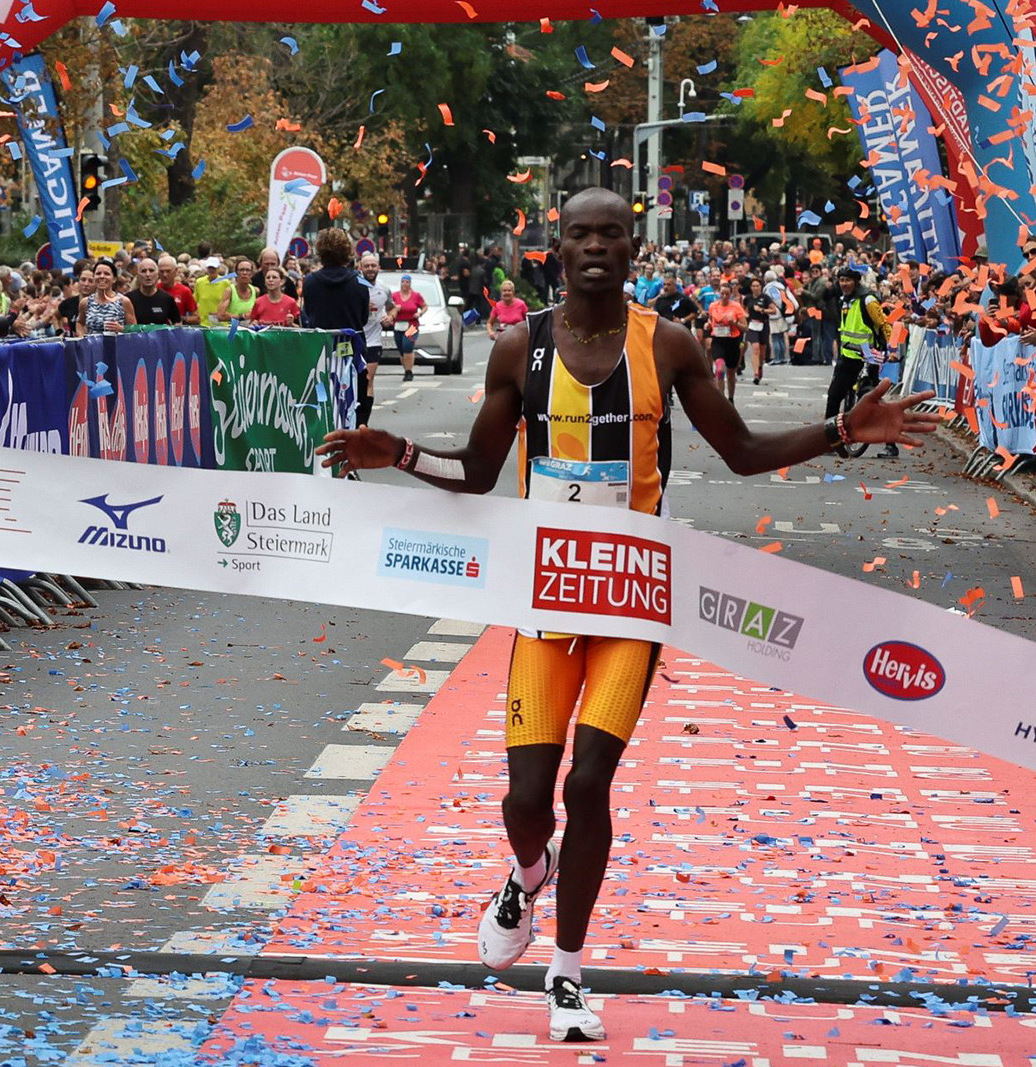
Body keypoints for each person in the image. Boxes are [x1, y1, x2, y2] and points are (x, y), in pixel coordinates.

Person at [314, 189, 936, 1045]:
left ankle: (567, 970)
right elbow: (481, 472)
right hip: (545, 603)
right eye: (581, 234)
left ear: (633, 249)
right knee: (528, 798)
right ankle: (530, 872)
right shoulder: (517, 348)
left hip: (632, 608)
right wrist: (402, 453)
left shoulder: (668, 346)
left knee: (587, 784)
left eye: (612, 233)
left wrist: (840, 429)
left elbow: (743, 453)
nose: (596, 246)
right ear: (556, 248)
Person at [826, 268, 895, 455]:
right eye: (841, 280)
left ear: (856, 282)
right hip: (847, 356)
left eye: (847, 280)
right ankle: (830, 441)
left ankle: (891, 443)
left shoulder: (868, 300)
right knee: (834, 397)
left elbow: (884, 324)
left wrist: (893, 349)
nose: (844, 284)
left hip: (867, 357)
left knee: (872, 401)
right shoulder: (845, 299)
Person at [359, 253, 393, 427]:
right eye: (367, 266)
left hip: (373, 340)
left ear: (378, 267)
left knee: (368, 379)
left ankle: (364, 421)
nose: (370, 269)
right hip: (356, 339)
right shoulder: (355, 287)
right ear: (361, 268)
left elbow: (393, 308)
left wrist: (390, 317)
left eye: (373, 266)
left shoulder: (384, 289)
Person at [706, 278, 749, 403]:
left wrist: (734, 322)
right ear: (718, 293)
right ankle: (721, 401)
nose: (724, 296)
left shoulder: (736, 307)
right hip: (718, 341)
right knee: (719, 370)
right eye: (722, 293)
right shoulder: (713, 306)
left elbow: (745, 328)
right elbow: (710, 320)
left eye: (727, 294)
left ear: (730, 294)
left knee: (730, 374)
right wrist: (708, 325)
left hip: (732, 342)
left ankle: (730, 399)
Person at [78, 259, 135, 336]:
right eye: (98, 273)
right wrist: (82, 338)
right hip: (93, 347)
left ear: (114, 279)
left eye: (106, 274)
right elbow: (80, 323)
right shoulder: (86, 302)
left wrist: (121, 329)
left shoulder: (124, 301)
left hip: (117, 346)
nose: (102, 276)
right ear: (94, 277)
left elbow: (134, 329)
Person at [390, 273, 428, 382]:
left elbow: (424, 306)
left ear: (410, 284)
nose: (405, 284)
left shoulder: (416, 296)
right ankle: (406, 370)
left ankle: (409, 372)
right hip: (398, 325)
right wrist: (395, 309)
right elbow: (389, 308)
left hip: (411, 325)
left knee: (407, 346)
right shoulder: (395, 296)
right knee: (401, 350)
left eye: (407, 282)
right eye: (403, 282)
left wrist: (420, 313)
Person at [128, 256, 182, 326]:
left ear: (157, 275)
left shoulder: (167, 299)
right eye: (143, 271)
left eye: (151, 270)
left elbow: (177, 322)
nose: (148, 275)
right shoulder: (128, 299)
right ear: (138, 276)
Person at [159, 255, 198, 325]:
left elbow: (196, 318)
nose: (165, 275)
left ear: (175, 271)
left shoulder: (184, 291)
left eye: (168, 271)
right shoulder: (154, 289)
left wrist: (180, 320)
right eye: (162, 271)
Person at [218, 259, 260, 323]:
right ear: (236, 273)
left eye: (247, 270)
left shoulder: (256, 291)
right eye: (241, 270)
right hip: (233, 330)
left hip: (249, 331)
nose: (244, 273)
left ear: (251, 274)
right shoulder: (230, 291)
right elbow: (221, 315)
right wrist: (242, 316)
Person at [56, 261, 92, 335]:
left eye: (90, 281)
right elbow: (55, 317)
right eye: (83, 279)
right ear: (78, 281)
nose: (86, 284)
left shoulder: (102, 304)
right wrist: (59, 331)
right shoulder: (68, 303)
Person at [194, 257, 230, 325]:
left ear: (218, 268)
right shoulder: (199, 282)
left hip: (221, 324)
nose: (211, 270)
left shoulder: (225, 282)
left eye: (214, 268)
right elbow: (195, 301)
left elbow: (230, 302)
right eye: (209, 268)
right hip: (204, 323)